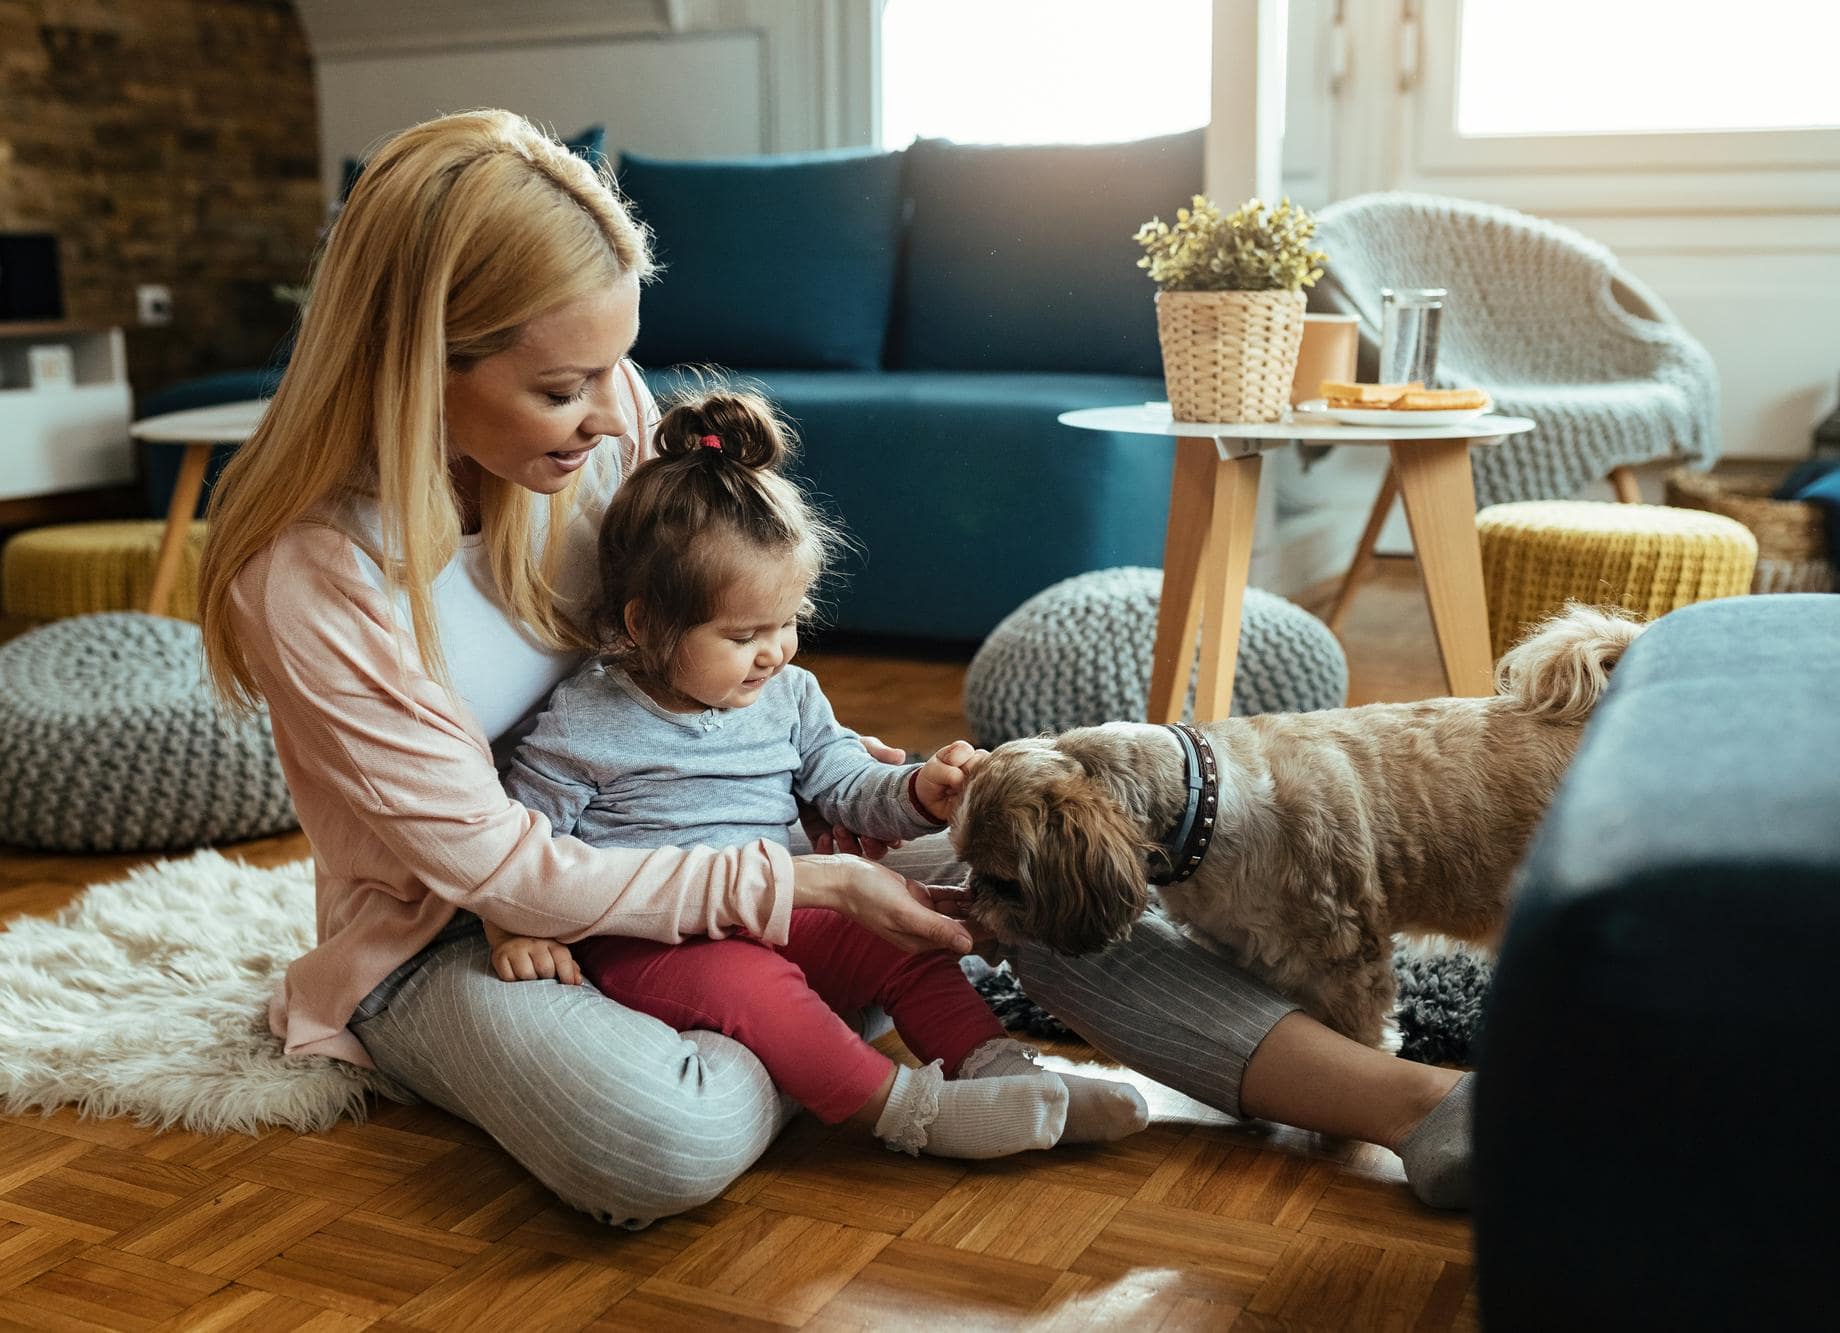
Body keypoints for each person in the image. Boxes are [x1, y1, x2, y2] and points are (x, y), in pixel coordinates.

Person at [197, 109, 1475, 1229]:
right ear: (422, 356)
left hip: (711, 821)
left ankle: (1417, 1104)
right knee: (659, 1138)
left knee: (1010, 849)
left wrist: (841, 778)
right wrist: (800, 888)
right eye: (560, 387)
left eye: (611, 368)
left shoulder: (595, 431)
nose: (609, 417)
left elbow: (721, 622)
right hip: (469, 925)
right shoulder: (317, 573)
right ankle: (840, 1033)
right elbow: (496, 864)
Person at [484, 385, 1150, 1159]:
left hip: (787, 906)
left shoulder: (788, 694)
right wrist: (508, 929)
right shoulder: (584, 722)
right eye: (744, 634)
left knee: (906, 942)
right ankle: (917, 1115)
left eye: (789, 622)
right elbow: (516, 847)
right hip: (661, 943)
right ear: (645, 624)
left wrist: (916, 792)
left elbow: (844, 783)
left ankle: (1003, 1069)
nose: (777, 651)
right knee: (762, 995)